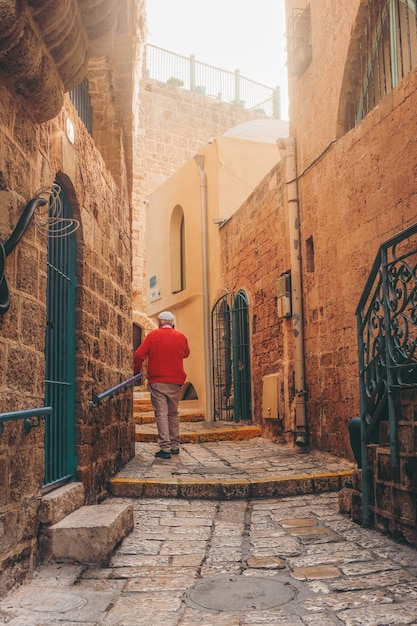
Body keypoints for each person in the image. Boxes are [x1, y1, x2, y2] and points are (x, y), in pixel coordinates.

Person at [134, 311, 190, 459]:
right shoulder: (181, 337)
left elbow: (139, 354)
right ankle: (175, 445)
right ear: (172, 322)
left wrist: (136, 370)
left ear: (159, 322)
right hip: (176, 381)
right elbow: (186, 353)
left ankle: (165, 448)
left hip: (158, 381)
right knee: (173, 413)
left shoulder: (152, 336)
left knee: (161, 413)